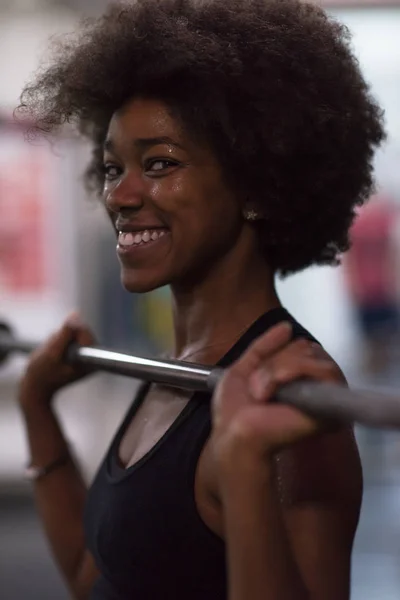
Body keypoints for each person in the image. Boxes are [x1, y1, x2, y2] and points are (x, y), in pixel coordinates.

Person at [15, 1, 385, 599]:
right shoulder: (179, 370)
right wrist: (37, 410)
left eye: (160, 164)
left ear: (257, 188)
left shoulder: (294, 401)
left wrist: (243, 467)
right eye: (114, 168)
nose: (121, 196)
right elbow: (100, 578)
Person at [344, 196, 400, 377]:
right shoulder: (382, 220)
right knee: (379, 341)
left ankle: (376, 374)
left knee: (377, 341)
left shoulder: (363, 221)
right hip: (376, 289)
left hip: (374, 290)